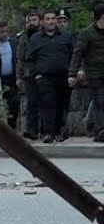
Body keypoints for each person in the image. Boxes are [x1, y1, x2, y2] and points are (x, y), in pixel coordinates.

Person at [26, 10, 75, 142]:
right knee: (47, 105)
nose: (51, 21)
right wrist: (36, 75)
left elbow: (74, 55)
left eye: (53, 19)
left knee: (61, 105)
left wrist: (74, 73)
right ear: (42, 22)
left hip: (63, 77)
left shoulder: (67, 36)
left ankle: (59, 132)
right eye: (48, 19)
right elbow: (30, 59)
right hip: (44, 78)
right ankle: (48, 133)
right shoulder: (35, 38)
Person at [71, 3, 104, 141]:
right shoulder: (87, 33)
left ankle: (90, 123)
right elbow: (78, 53)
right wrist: (73, 73)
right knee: (99, 102)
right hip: (94, 73)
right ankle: (101, 130)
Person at [18, 11, 43, 138]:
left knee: (45, 103)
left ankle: (44, 130)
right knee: (31, 103)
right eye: (30, 20)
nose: (32, 23)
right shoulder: (23, 37)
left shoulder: (43, 35)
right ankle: (31, 130)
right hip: (29, 74)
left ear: (40, 21)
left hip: (43, 72)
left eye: (35, 20)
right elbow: (20, 58)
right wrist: (19, 76)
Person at [0, 22, 20, 130]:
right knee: (1, 103)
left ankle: (12, 126)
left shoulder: (13, 43)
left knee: (14, 102)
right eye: (2, 31)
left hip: (12, 78)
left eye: (6, 31)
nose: (4, 34)